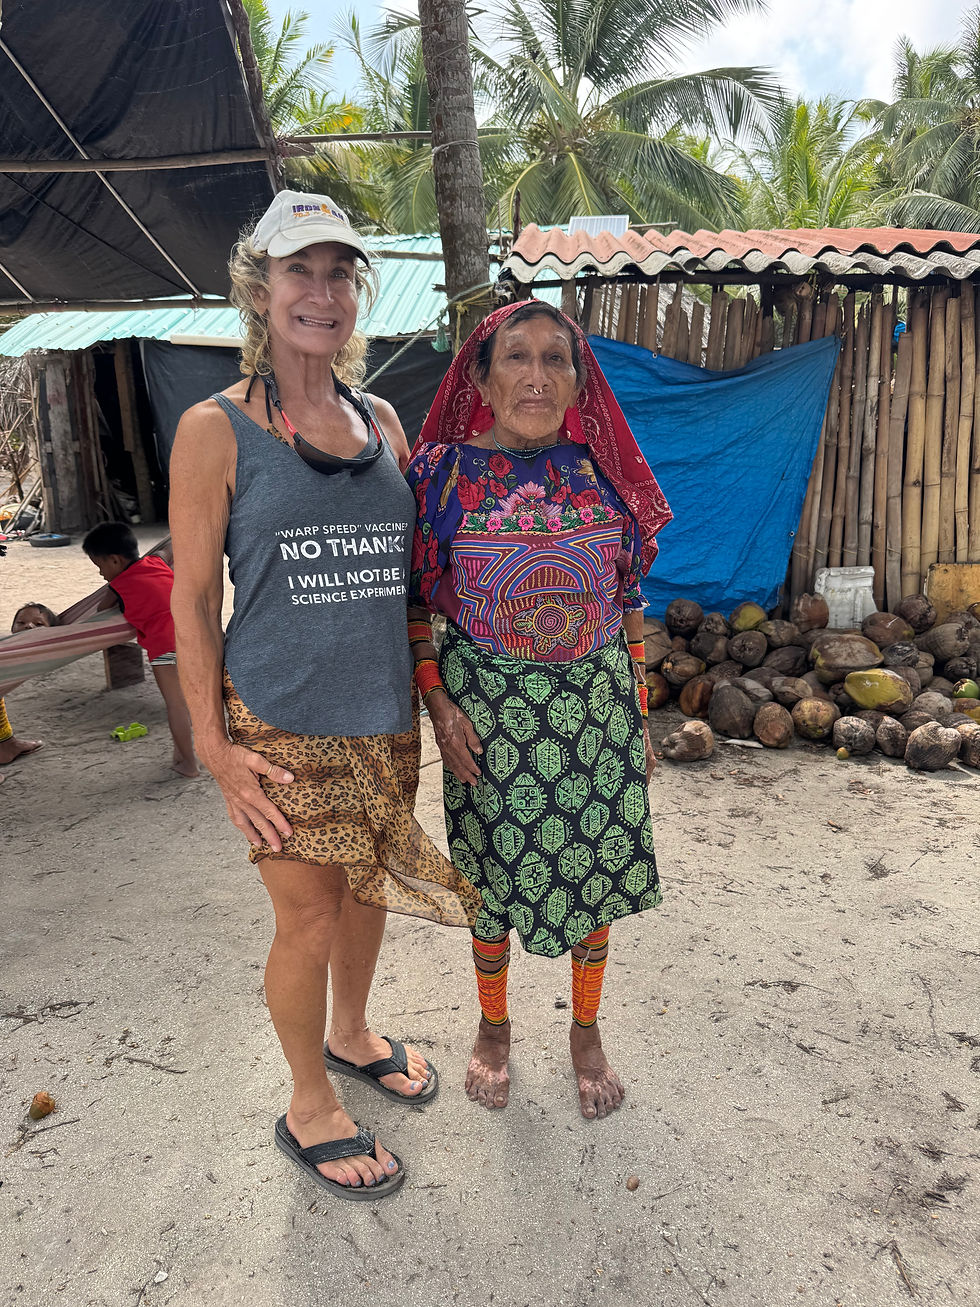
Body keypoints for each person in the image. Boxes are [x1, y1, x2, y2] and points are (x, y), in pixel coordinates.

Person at [168, 191, 480, 1202]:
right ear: (258, 289)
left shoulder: (381, 420)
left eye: (339, 272)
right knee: (305, 916)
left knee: (361, 887)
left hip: (381, 714)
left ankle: (350, 1032)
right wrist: (216, 748)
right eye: (298, 270)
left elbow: (414, 582)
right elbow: (190, 599)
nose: (321, 291)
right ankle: (309, 1101)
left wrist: (436, 693)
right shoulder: (213, 429)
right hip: (281, 723)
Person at [406, 300, 673, 1120]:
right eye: (516, 357)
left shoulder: (604, 474)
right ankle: (493, 1027)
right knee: (490, 882)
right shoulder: (440, 474)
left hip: (596, 715)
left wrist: (637, 709)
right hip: (489, 721)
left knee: (595, 874)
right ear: (480, 379)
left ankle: (585, 1032)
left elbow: (628, 600)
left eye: (556, 358)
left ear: (579, 382)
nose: (536, 375)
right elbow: (411, 601)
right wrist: (439, 704)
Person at [82, 522, 199, 778]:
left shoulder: (117, 586)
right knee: (197, 700)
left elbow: (101, 611)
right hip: (198, 638)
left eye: (99, 566)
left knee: (176, 705)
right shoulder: (156, 563)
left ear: (114, 560)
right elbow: (168, 550)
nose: (101, 573)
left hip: (165, 648)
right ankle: (182, 753)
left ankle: (189, 764)